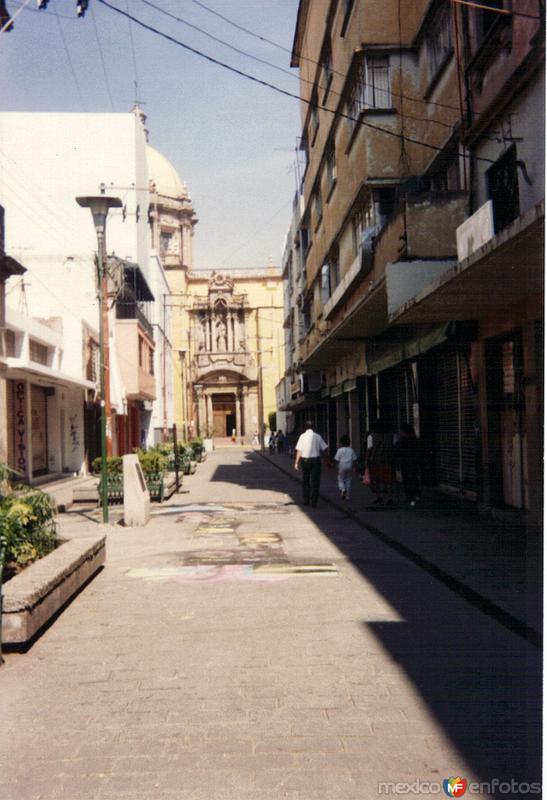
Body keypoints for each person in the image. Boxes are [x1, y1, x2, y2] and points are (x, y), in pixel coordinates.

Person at [294, 421, 329, 507]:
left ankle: (306, 500)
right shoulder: (318, 436)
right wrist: (326, 460)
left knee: (305, 480)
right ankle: (314, 501)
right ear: (313, 428)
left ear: (305, 428)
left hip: (305, 460)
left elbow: (299, 450)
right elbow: (325, 448)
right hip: (316, 461)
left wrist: (296, 462)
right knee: (315, 481)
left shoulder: (302, 436)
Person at [365, 419, 395, 507]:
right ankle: (390, 498)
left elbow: (369, 449)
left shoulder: (371, 436)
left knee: (377, 480)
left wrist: (366, 461)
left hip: (375, 460)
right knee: (389, 480)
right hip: (388, 460)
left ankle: (379, 497)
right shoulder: (392, 436)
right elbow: (394, 447)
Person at [394, 423, 421, 507]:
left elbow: (396, 450)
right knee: (414, 478)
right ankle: (416, 495)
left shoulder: (402, 440)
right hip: (414, 462)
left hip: (405, 462)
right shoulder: (414, 439)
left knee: (407, 480)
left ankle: (410, 497)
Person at [334, 434, 358, 500]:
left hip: (342, 465)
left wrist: (335, 466)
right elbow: (355, 459)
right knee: (348, 480)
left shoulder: (340, 450)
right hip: (349, 465)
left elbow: (336, 459)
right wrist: (355, 467)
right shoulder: (351, 450)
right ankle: (347, 496)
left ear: (341, 442)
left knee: (340, 479)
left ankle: (343, 489)